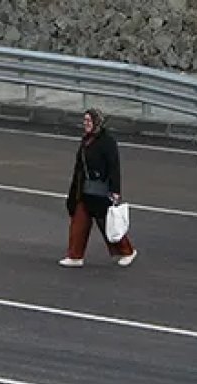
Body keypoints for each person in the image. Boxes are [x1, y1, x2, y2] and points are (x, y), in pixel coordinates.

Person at [61, 108, 137, 268]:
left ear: (96, 122)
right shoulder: (86, 141)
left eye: (89, 121)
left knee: (107, 225)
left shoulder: (107, 142)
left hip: (101, 192)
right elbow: (80, 167)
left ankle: (127, 251)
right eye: (84, 121)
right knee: (78, 223)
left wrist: (115, 190)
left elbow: (114, 167)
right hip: (84, 189)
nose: (86, 124)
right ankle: (75, 256)